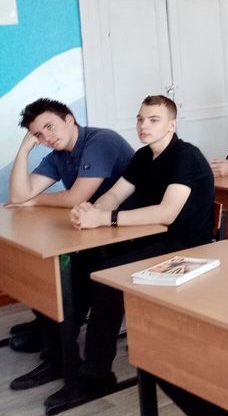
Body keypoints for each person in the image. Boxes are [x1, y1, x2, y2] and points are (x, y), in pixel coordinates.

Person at [43, 95, 215, 413]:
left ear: (172, 125)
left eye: (153, 120)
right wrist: (90, 211)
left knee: (107, 279)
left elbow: (166, 213)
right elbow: (114, 195)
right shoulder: (143, 156)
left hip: (188, 247)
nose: (143, 125)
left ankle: (97, 375)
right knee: (81, 261)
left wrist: (104, 219)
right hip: (150, 239)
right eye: (140, 119)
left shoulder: (186, 157)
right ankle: (62, 353)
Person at [6, 98, 134, 388]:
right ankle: (57, 351)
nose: (47, 137)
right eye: (38, 135)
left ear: (69, 118)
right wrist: (24, 149)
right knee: (50, 272)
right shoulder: (58, 155)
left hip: (130, 233)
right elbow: (17, 196)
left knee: (67, 275)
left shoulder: (100, 141)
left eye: (49, 127)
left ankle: (62, 351)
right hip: (95, 232)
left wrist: (34, 200)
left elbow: (76, 197)